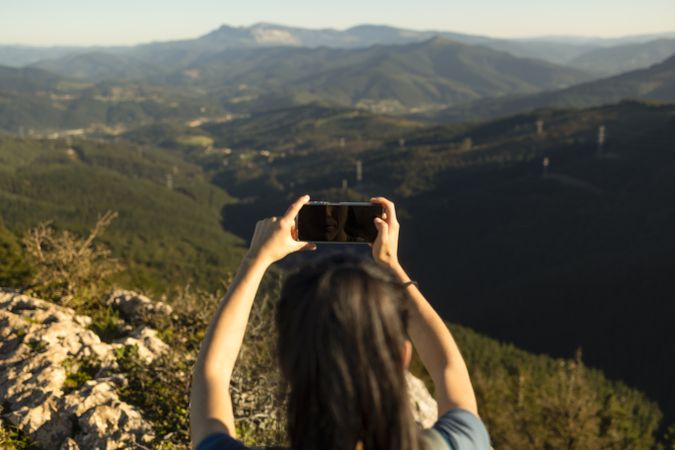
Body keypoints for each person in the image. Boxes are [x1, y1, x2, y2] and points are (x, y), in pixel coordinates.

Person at [190, 195, 491, 450]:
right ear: (403, 356)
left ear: (286, 363)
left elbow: (213, 373)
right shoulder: (456, 442)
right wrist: (391, 265)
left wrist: (256, 260)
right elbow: (447, 367)